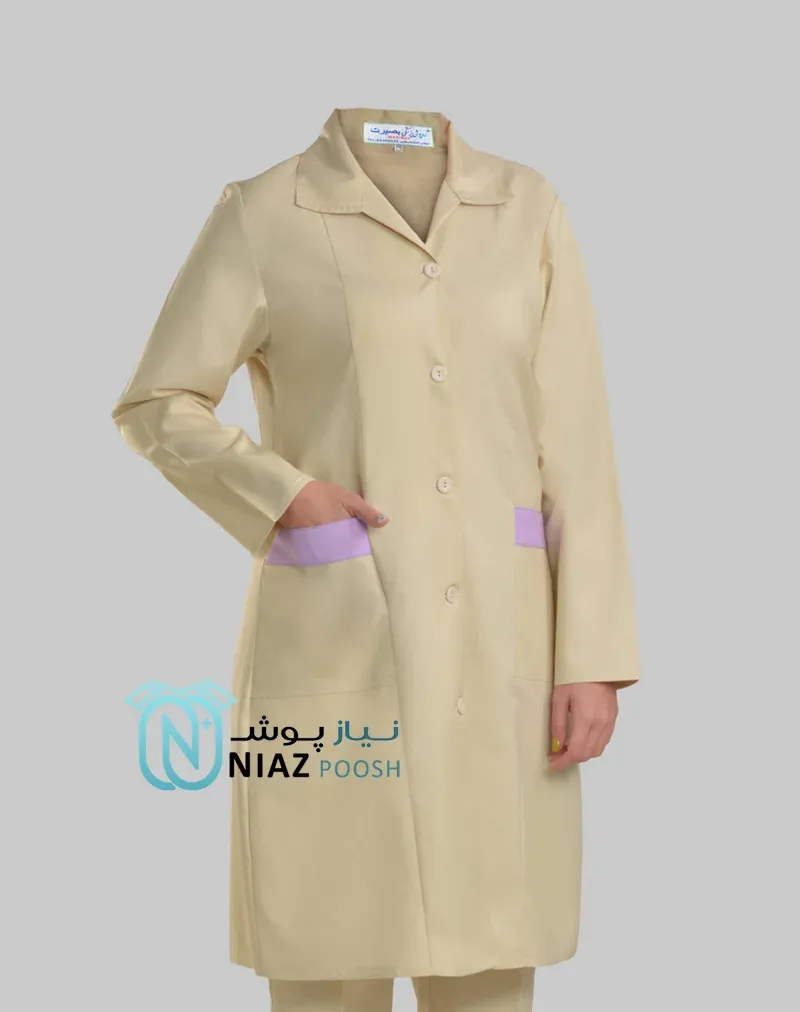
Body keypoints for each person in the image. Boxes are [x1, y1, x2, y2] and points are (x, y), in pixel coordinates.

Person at [112, 107, 641, 1012]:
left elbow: (578, 447)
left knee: (489, 960)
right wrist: (283, 494)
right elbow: (158, 400)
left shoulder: (528, 208)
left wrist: (591, 657)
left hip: (504, 640)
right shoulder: (265, 211)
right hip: (333, 633)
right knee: (328, 951)